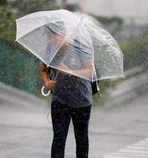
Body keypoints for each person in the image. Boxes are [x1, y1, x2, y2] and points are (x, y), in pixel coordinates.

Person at [41, 21, 94, 158]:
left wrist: (70, 72)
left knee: (81, 139)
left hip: (81, 100)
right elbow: (44, 69)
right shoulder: (50, 48)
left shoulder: (81, 46)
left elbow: (90, 71)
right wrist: (47, 81)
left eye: (55, 36)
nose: (53, 40)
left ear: (64, 32)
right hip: (60, 99)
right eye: (50, 37)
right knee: (58, 138)